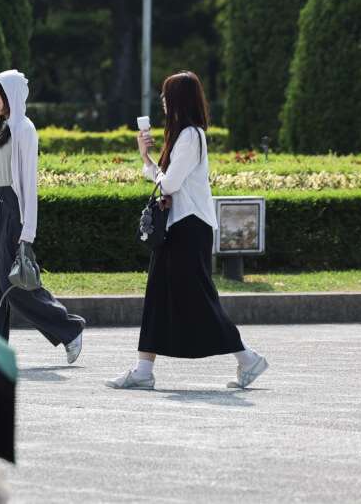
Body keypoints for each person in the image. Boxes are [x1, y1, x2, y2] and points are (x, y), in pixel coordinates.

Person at [105, 71, 269, 390]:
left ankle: (248, 358)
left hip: (189, 228)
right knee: (158, 294)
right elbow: (168, 182)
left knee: (198, 298)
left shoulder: (191, 136)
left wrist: (150, 165)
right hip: (180, 228)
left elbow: (169, 184)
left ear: (179, 99)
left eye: (167, 95)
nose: (163, 101)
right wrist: (147, 158)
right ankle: (143, 369)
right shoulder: (184, 136)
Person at [0, 70, 85, 364]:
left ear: (12, 95)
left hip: (12, 208)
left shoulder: (24, 129)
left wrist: (28, 232)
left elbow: (29, 183)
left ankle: (69, 329)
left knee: (12, 283)